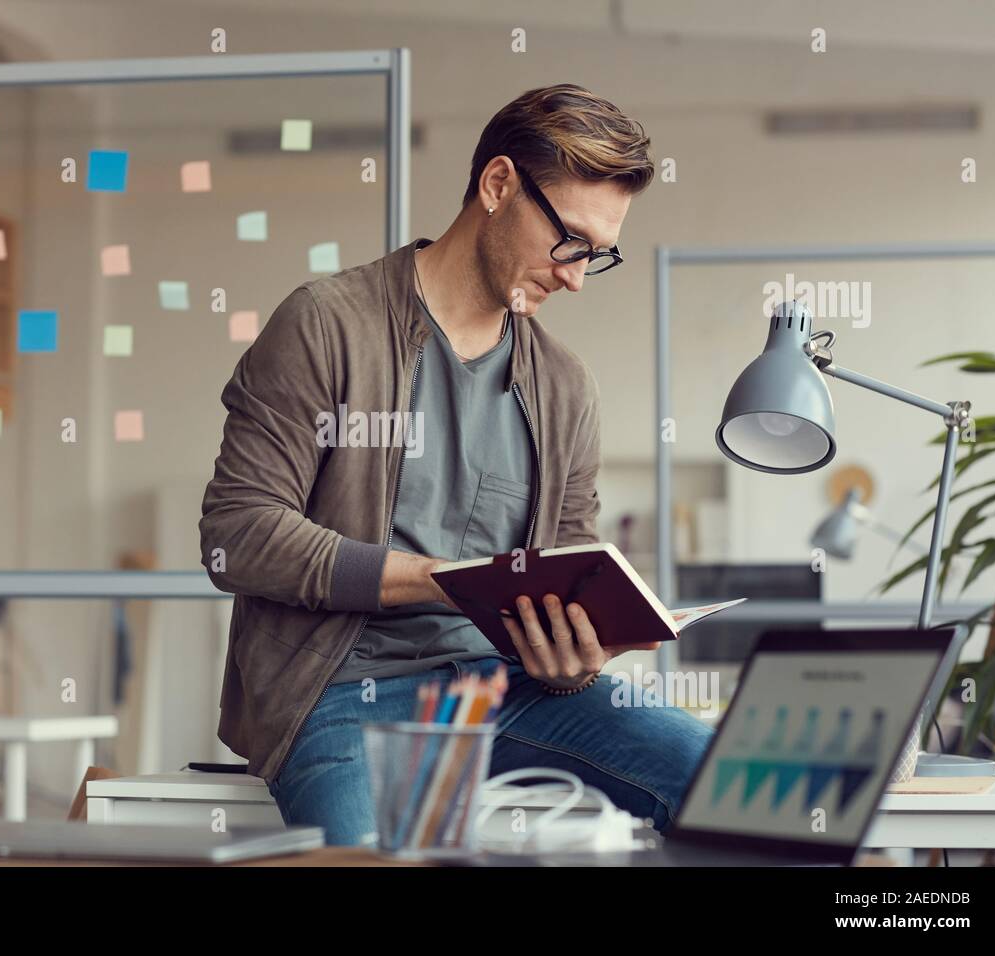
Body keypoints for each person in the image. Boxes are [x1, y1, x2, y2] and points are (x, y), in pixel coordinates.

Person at [200, 84, 713, 846]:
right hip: (340, 695)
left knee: (734, 784)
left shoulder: (565, 387)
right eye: (568, 239)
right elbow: (238, 533)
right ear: (498, 185)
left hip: (512, 692)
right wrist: (436, 578)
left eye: (597, 254)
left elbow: (572, 556)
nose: (575, 275)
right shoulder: (326, 325)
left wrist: (574, 655)